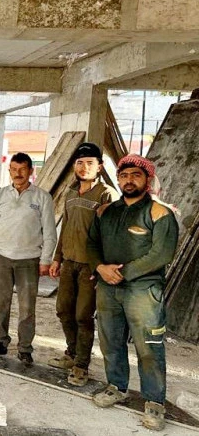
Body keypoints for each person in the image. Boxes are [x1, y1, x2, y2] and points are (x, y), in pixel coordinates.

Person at [87, 154, 178, 431]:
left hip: (143, 290)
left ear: (147, 180)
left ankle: (154, 402)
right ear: (118, 179)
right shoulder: (105, 211)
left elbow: (161, 253)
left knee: (148, 347)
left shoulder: (159, 213)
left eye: (136, 176)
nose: (129, 181)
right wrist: (100, 267)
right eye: (124, 176)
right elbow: (91, 244)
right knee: (110, 341)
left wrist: (122, 273)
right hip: (108, 288)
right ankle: (116, 386)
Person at [47, 142, 117, 385]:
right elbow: (65, 228)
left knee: (83, 316)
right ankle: (72, 352)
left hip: (90, 266)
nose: (84, 167)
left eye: (89, 163)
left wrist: (102, 268)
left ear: (99, 167)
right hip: (69, 263)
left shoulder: (106, 194)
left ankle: (81, 365)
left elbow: (111, 235)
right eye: (80, 163)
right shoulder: (70, 194)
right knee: (63, 310)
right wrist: (57, 258)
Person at [0, 152, 57, 366]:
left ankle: (24, 348)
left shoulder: (42, 197)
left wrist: (45, 259)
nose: (18, 173)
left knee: (27, 307)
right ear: (10, 171)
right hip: (2, 256)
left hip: (29, 260)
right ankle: (0, 341)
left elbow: (50, 232)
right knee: (0, 302)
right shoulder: (0, 195)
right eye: (14, 169)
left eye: (22, 169)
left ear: (31, 171)